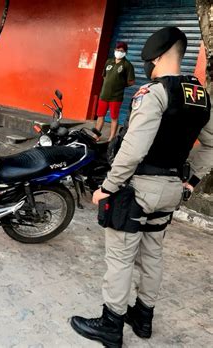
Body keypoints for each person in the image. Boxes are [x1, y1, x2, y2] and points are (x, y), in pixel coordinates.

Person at [70, 27, 211, 348]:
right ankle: (143, 318)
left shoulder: (153, 93)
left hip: (138, 190)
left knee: (120, 256)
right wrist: (191, 180)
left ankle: (110, 324)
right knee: (153, 254)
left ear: (157, 58)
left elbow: (133, 147)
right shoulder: (199, 94)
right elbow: (211, 145)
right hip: (173, 189)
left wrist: (108, 186)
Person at [95, 41, 136, 141]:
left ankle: (111, 137)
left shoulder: (127, 65)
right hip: (104, 95)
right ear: (114, 50)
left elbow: (131, 82)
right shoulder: (109, 61)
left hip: (116, 97)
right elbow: (104, 76)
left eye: (121, 50)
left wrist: (120, 84)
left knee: (114, 118)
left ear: (125, 52)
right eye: (117, 50)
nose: (119, 52)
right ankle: (96, 135)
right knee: (100, 116)